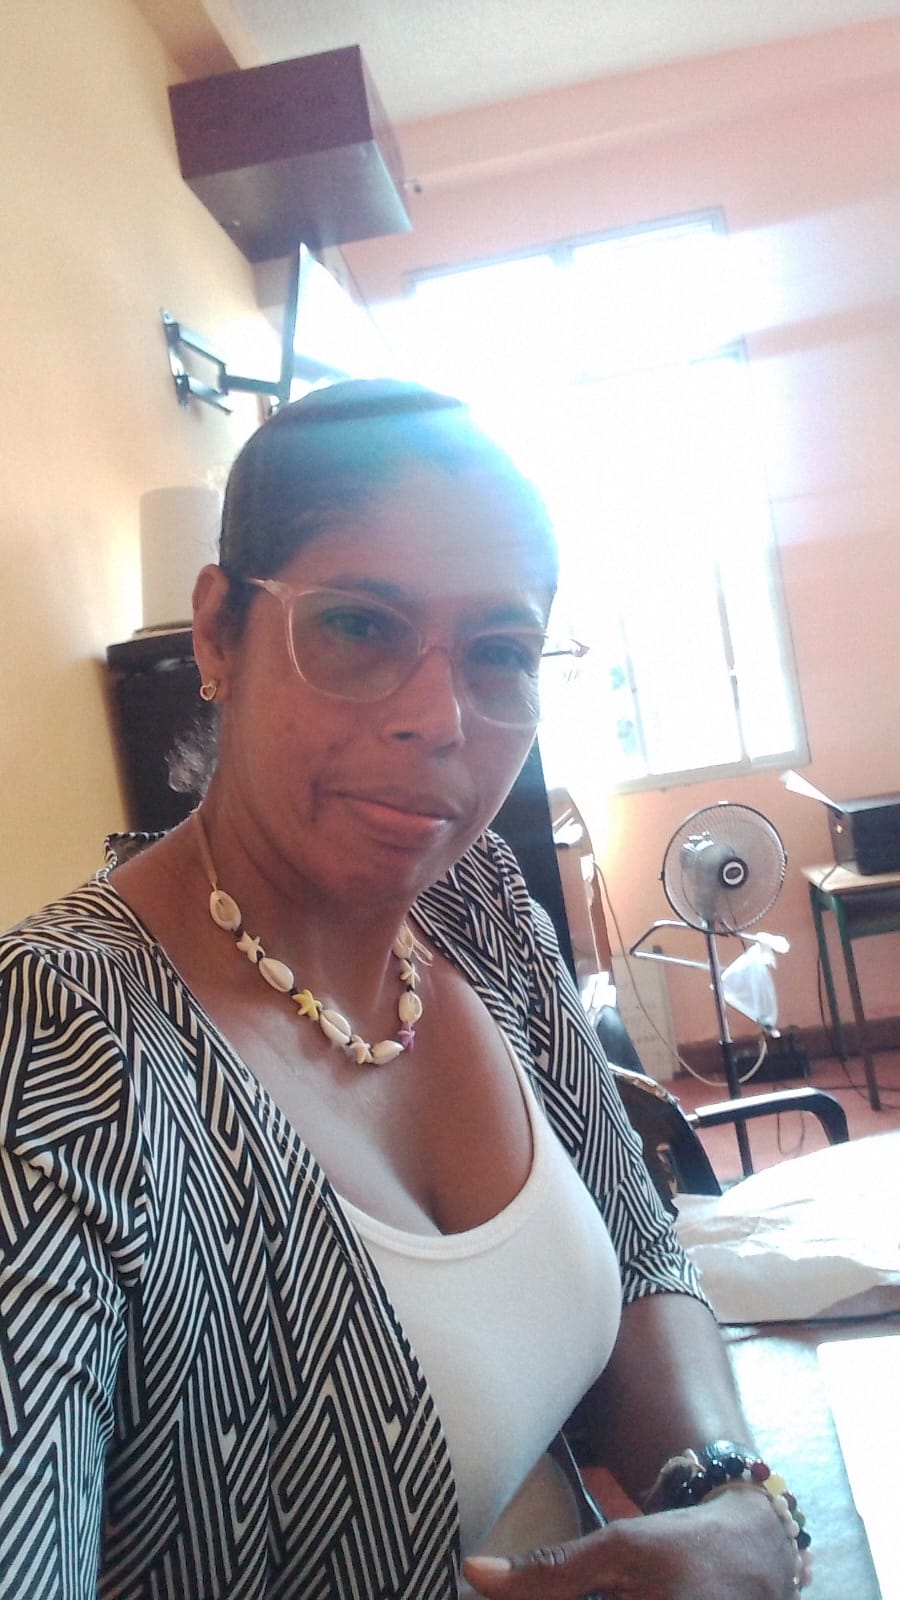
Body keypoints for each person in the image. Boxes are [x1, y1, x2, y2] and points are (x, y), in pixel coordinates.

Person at [0, 380, 809, 1600]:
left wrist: (733, 1498)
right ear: (216, 632)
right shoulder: (54, 1047)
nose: (440, 719)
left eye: (501, 652)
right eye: (358, 627)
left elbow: (636, 1242)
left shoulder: (473, 902)